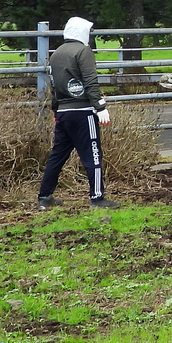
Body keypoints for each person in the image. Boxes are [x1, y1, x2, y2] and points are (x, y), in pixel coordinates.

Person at [39, 17, 120, 211]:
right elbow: (91, 81)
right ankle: (97, 198)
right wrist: (100, 107)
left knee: (57, 155)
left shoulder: (56, 53)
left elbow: (55, 86)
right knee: (93, 155)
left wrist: (56, 110)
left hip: (64, 113)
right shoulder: (83, 51)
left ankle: (44, 196)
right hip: (83, 112)